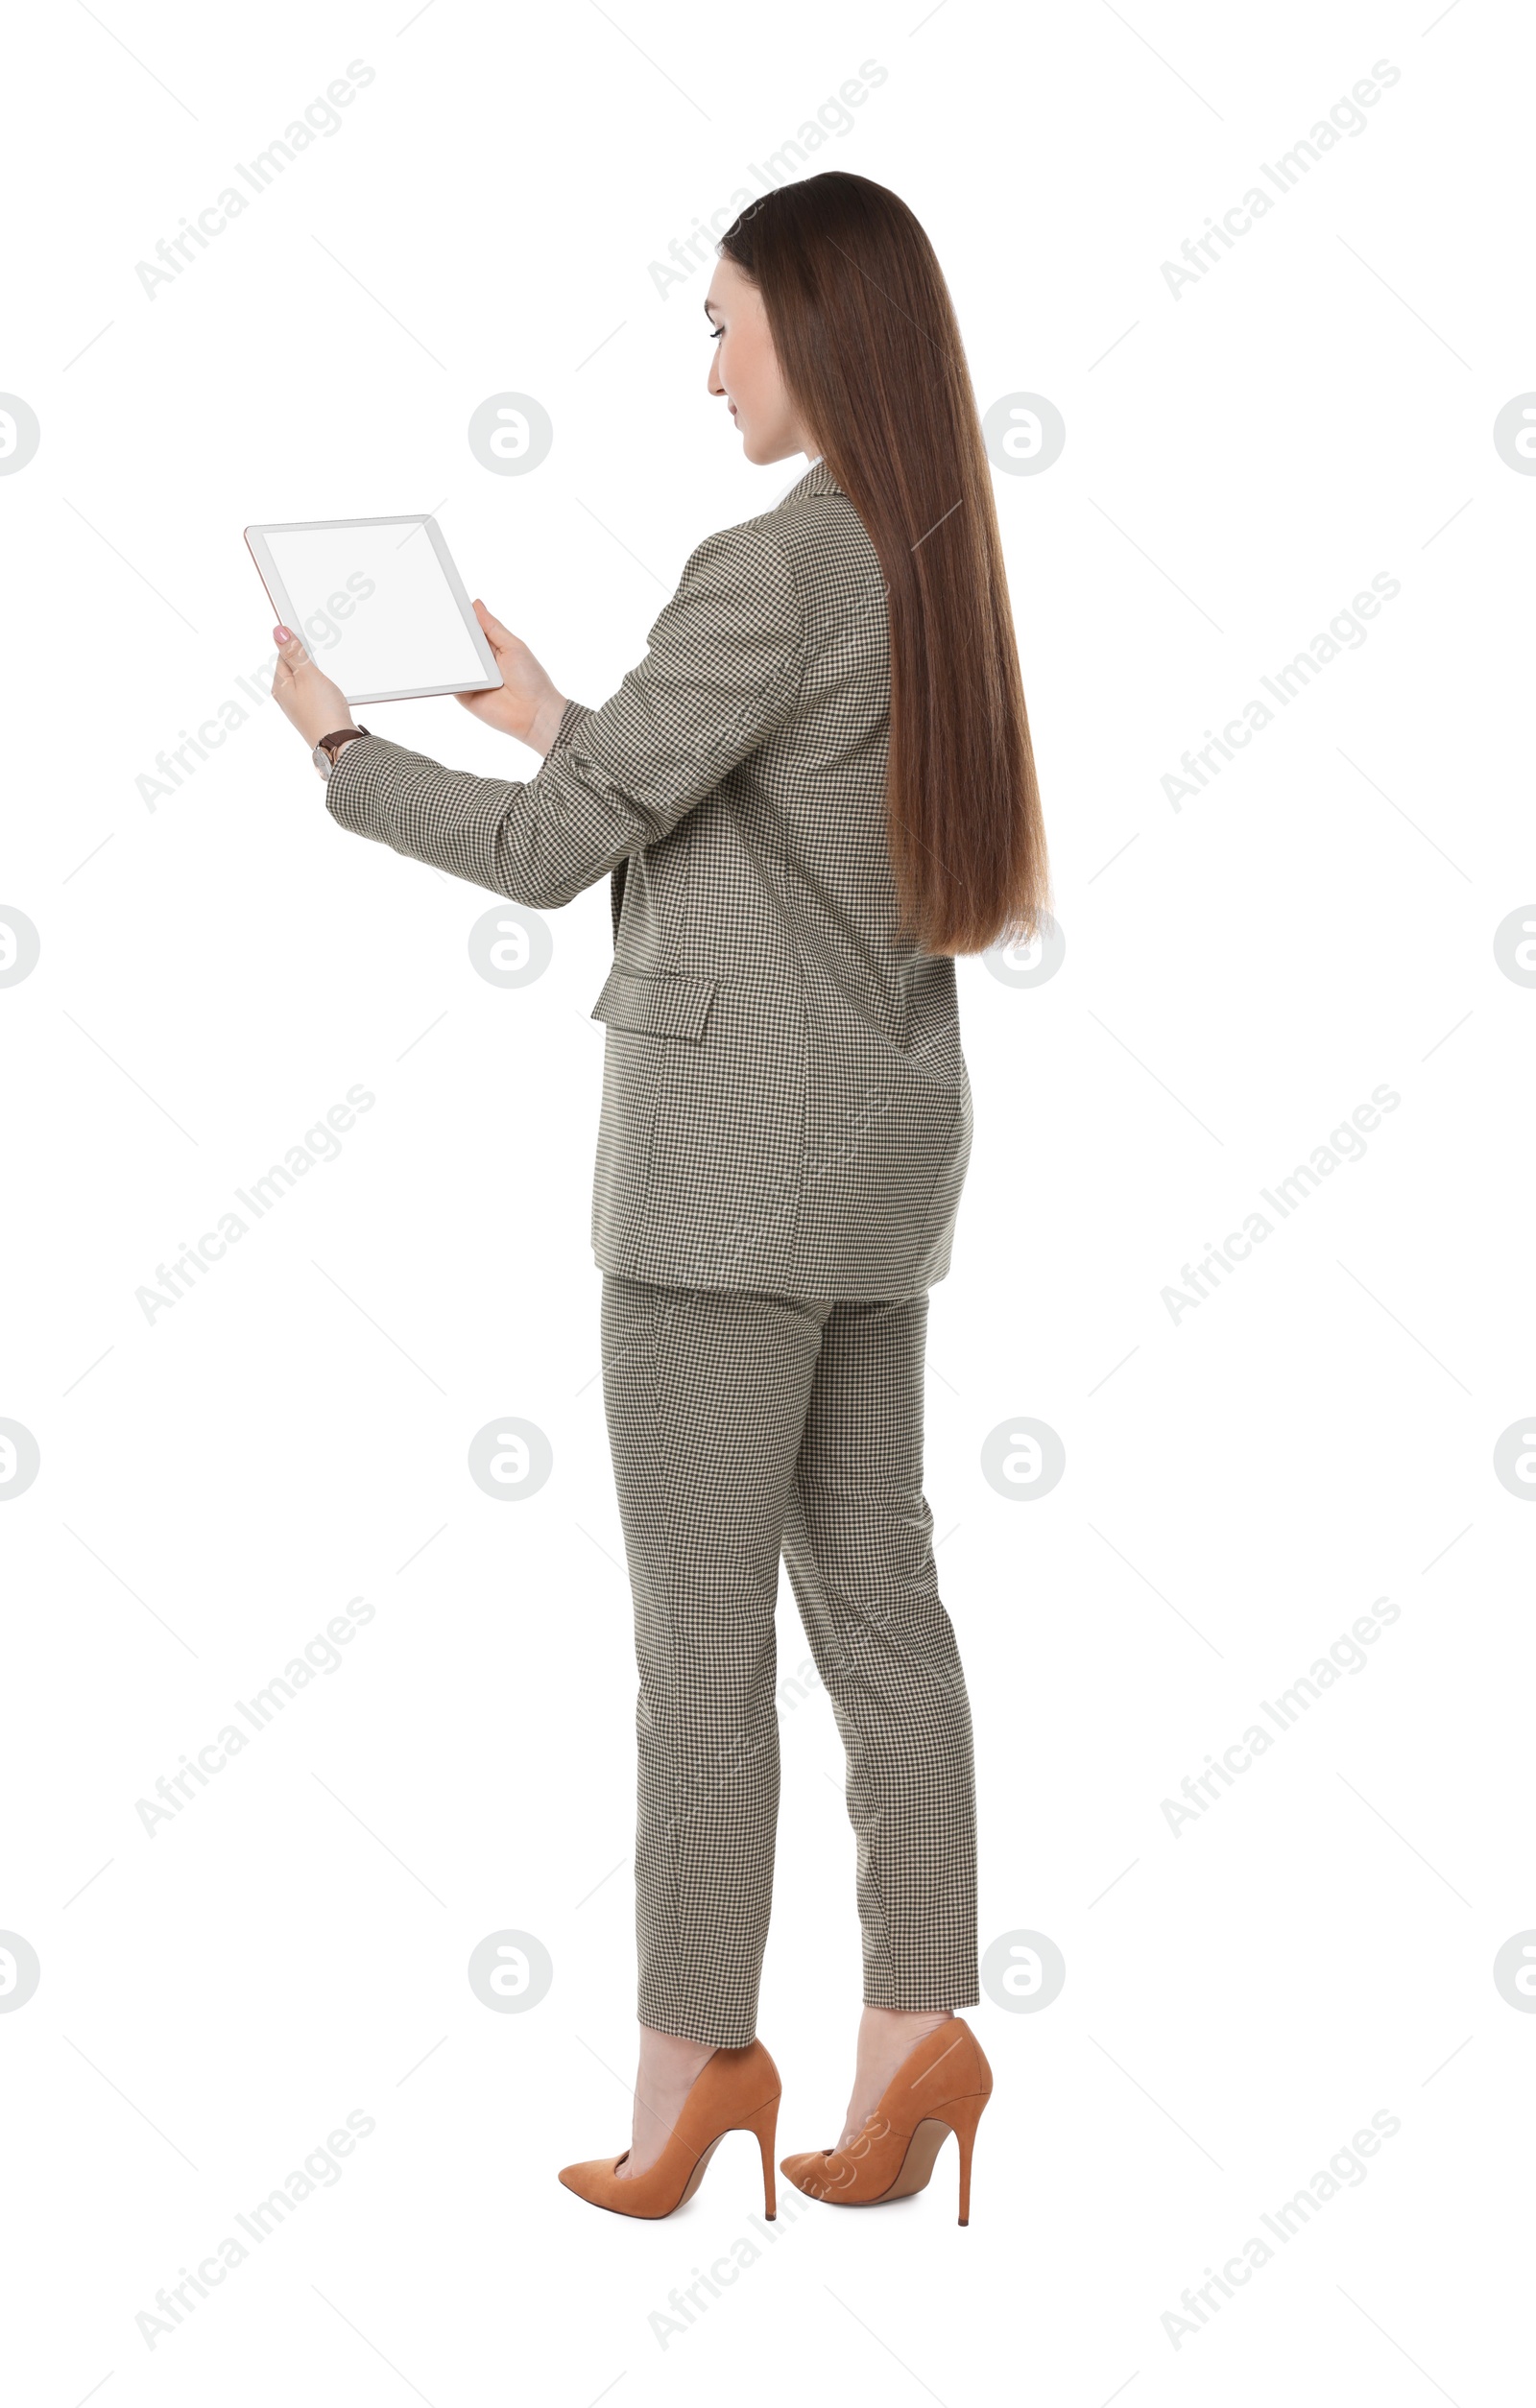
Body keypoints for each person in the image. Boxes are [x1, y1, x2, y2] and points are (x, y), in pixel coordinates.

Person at [271, 169, 1047, 2226]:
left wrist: (345, 753)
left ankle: (693, 2073)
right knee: (881, 1610)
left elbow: (554, 858)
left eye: (719, 322)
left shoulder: (766, 558)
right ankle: (918, 2048)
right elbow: (761, 835)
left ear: (810, 323)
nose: (704, 367)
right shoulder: (921, 556)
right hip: (878, 1166)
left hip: (720, 1195)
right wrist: (552, 718)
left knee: (696, 1639)